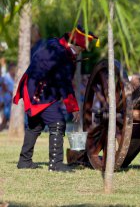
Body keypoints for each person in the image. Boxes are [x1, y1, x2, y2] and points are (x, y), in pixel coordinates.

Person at [14, 25, 98, 172]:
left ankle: (24, 161)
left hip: (34, 87)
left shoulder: (55, 44)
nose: (81, 52)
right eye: (81, 49)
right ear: (76, 44)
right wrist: (73, 108)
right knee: (58, 122)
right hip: (40, 92)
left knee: (35, 125)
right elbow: (64, 83)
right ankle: (55, 164)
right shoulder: (62, 55)